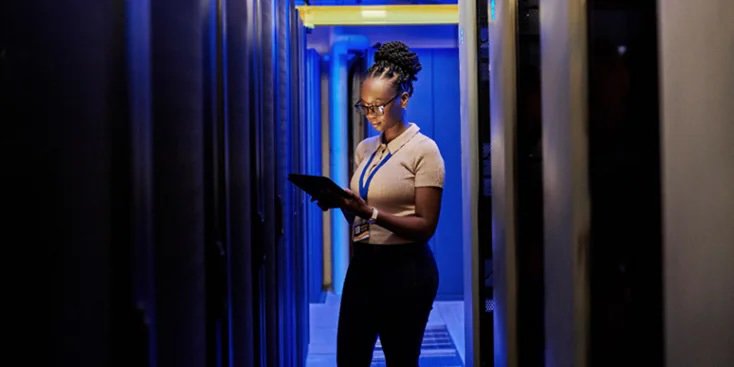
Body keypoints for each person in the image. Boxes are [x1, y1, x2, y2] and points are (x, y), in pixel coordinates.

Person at [317, 41, 445, 367]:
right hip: (363, 268)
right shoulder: (365, 149)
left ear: (404, 99)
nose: (371, 114)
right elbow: (360, 217)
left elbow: (425, 226)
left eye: (379, 106)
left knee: (401, 360)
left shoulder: (424, 151)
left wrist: (370, 213)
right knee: (350, 358)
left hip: (407, 271)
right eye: (365, 106)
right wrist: (344, 205)